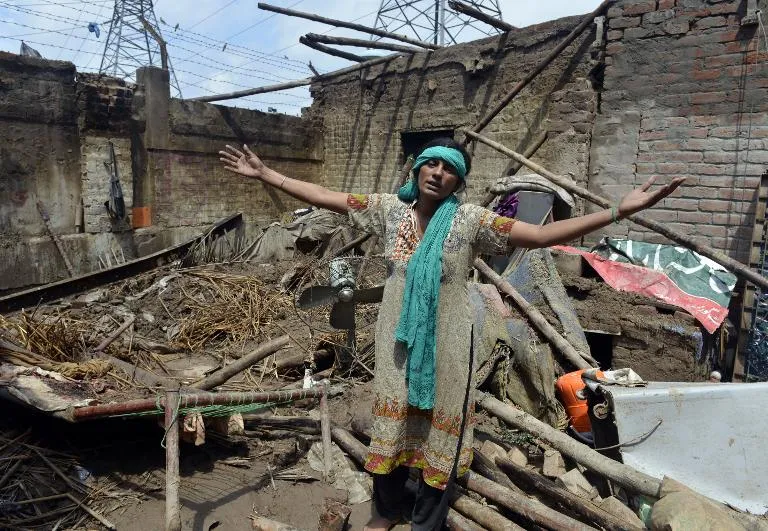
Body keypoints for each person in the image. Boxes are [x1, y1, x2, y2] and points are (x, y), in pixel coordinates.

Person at [219, 139, 684, 530]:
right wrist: (267, 175)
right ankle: (386, 510)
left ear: (458, 183)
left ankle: (426, 521)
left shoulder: (472, 221)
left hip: (451, 339)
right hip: (398, 338)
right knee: (393, 415)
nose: (438, 174)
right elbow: (326, 196)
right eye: (432, 164)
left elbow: (541, 236)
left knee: (442, 423)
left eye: (450, 170)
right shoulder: (387, 211)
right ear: (417, 169)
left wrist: (617, 210)